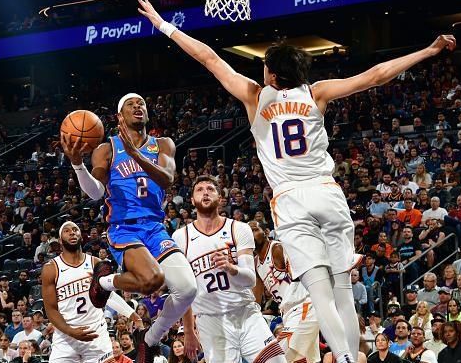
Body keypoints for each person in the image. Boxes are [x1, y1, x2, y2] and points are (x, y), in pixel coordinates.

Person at [137, 0, 457, 363]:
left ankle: (347, 359)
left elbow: (208, 57)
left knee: (319, 294)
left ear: (271, 75)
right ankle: (354, 356)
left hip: (290, 199)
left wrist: (164, 25)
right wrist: (427, 51)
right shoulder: (316, 92)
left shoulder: (255, 96)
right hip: (327, 193)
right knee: (342, 291)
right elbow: (375, 75)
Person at [60, 90, 197, 363]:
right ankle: (104, 282)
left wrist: (135, 154)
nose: (138, 107)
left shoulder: (163, 144)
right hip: (124, 228)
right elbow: (97, 192)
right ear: (119, 116)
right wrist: (77, 165)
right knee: (153, 280)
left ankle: (150, 338)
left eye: (142, 104)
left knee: (187, 289)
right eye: (131, 104)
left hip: (155, 227)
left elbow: (167, 178)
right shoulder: (106, 148)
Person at [172, 176, 286, 363]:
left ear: (219, 197)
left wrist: (231, 268)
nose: (205, 192)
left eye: (210, 188)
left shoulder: (238, 229)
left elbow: (250, 279)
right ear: (192, 200)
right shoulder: (180, 237)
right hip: (210, 321)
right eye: (199, 189)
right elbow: (183, 290)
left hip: (245, 313)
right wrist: (189, 331)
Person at [41, 221, 144, 363]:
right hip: (66, 337)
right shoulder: (51, 268)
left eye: (75, 229)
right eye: (67, 231)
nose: (72, 232)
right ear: (60, 241)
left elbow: (109, 296)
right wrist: (71, 331)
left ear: (81, 237)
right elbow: (51, 310)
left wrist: (134, 316)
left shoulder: (96, 263)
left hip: (96, 334)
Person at [252, 220, 320, 363]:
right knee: (303, 360)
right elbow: (255, 301)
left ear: (266, 232)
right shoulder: (256, 262)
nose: (250, 234)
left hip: (304, 306)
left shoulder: (277, 248)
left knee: (276, 356)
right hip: (288, 313)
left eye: (254, 230)